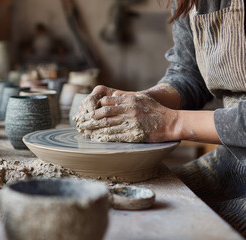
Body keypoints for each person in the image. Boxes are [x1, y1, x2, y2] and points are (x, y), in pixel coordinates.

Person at [76, 0, 246, 236]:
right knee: (124, 207)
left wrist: (171, 122)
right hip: (236, 158)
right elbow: (188, 73)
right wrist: (139, 102)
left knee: (180, 228)